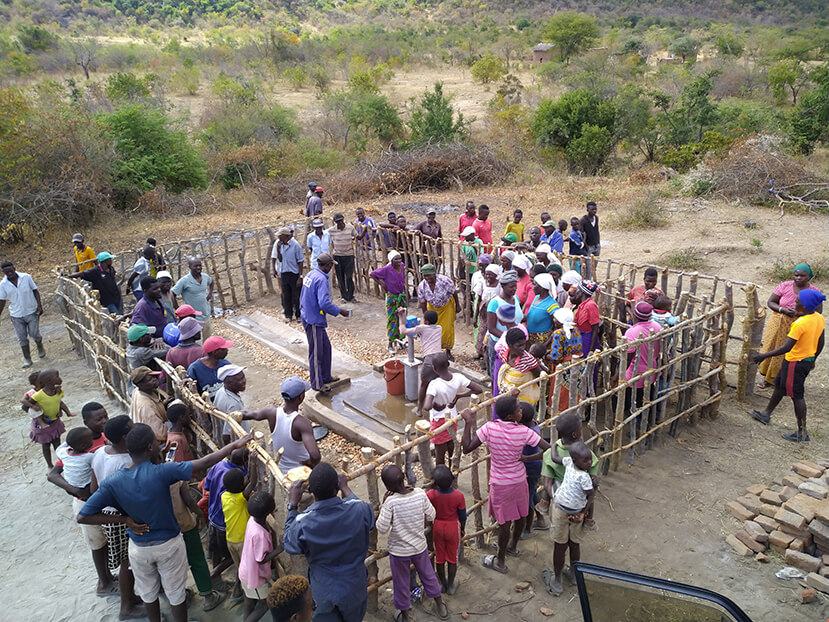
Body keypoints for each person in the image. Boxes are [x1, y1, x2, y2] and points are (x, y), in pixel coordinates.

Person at [78, 424, 254, 622]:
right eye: (154, 441)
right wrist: (234, 445)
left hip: (138, 547)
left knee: (148, 592)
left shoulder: (114, 480)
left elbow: (83, 516)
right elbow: (205, 462)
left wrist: (125, 519)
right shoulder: (162, 472)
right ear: (150, 447)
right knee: (176, 592)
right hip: (168, 545)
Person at [461, 396, 550, 574]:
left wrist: (468, 422)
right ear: (510, 416)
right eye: (518, 409)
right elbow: (549, 448)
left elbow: (467, 447)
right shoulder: (524, 432)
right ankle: (513, 547)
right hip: (519, 480)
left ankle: (500, 561)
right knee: (521, 515)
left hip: (500, 483)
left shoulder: (489, 428)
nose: (522, 411)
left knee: (504, 523)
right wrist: (529, 458)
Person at [283, 462, 374, 622]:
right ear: (337, 488)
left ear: (310, 491)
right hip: (354, 586)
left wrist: (292, 506)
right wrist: (345, 487)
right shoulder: (359, 510)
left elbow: (290, 544)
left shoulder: (302, 523)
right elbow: (365, 511)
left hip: (323, 591)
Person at [48, 423, 117, 599]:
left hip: (95, 500)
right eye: (98, 418)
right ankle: (103, 582)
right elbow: (53, 475)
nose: (103, 420)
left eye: (105, 417)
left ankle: (108, 576)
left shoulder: (68, 450)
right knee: (97, 544)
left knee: (105, 542)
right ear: (87, 421)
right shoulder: (88, 455)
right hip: (86, 500)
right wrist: (75, 489)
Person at [90, 415, 146, 619]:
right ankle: (126, 607)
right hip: (123, 516)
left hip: (108, 513)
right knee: (127, 562)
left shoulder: (99, 453)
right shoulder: (127, 461)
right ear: (125, 437)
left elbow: (93, 487)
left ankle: (130, 597)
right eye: (132, 429)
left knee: (127, 560)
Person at [751, 289, 826, 442]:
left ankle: (802, 432)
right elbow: (821, 341)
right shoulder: (818, 318)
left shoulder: (799, 324)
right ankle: (766, 413)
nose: (795, 302)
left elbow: (786, 347)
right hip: (803, 360)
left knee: (796, 396)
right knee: (779, 384)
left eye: (798, 301)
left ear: (804, 306)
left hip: (795, 363)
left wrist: (763, 356)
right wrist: (813, 359)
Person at [377, 465, 449, 622]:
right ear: (404, 476)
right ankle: (440, 606)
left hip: (399, 553)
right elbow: (431, 515)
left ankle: (404, 616)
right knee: (429, 576)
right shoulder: (420, 494)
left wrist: (384, 504)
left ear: (387, 487)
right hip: (419, 547)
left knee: (401, 583)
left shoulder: (390, 503)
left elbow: (381, 528)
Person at [542, 441, 595, 597]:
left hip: (561, 509)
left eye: (590, 460)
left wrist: (552, 445)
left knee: (560, 545)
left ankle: (557, 580)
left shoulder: (569, 464)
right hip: (576, 512)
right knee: (574, 543)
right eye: (586, 461)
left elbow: (554, 457)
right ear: (574, 460)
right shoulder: (584, 475)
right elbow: (591, 495)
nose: (589, 463)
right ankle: (573, 574)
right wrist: (583, 513)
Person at [756, 264, 822, 389]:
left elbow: (818, 311)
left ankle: (779, 379)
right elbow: (771, 302)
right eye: (796, 275)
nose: (798, 278)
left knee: (787, 351)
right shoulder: (785, 286)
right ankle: (768, 378)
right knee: (770, 346)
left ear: (809, 277)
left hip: (798, 325)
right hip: (778, 321)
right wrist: (783, 310)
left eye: (803, 275)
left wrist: (800, 314)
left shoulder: (814, 292)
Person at [240, 376, 322, 471]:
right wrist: (310, 463)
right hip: (301, 472)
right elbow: (315, 456)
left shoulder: (271, 412)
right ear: (301, 397)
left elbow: (248, 414)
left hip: (282, 470)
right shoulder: (302, 423)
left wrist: (231, 414)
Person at [300, 253, 351, 391]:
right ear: (327, 265)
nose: (332, 268)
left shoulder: (311, 274)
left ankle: (326, 376)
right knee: (316, 353)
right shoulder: (321, 279)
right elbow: (324, 303)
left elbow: (303, 295)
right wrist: (340, 311)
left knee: (326, 348)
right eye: (331, 265)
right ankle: (317, 384)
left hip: (309, 315)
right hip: (314, 320)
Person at [423, 353, 483, 465]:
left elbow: (426, 406)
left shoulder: (434, 384)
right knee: (451, 446)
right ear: (448, 364)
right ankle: (452, 470)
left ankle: (441, 477)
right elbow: (478, 389)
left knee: (440, 453)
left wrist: (435, 405)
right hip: (452, 417)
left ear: (434, 369)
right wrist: (459, 395)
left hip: (438, 420)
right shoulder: (458, 378)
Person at [203, 446, 250, 586]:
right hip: (226, 523)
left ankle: (216, 574)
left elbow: (206, 486)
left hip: (213, 516)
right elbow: (249, 487)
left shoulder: (218, 465)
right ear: (244, 462)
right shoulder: (239, 475)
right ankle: (215, 574)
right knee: (231, 555)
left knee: (216, 549)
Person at [239, 491, 283, 622]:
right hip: (255, 576)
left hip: (245, 570)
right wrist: (280, 548)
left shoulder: (252, 520)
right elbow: (261, 559)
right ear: (267, 512)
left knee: (249, 598)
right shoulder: (259, 535)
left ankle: (245, 618)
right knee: (265, 604)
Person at [426, 465, 466, 595]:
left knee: (440, 558)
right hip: (453, 527)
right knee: (452, 558)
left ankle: (442, 583)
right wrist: (462, 530)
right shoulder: (459, 496)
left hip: (437, 526)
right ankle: (450, 584)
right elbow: (462, 516)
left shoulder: (431, 494)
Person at [222, 463, 258, 603]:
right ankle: (252, 596)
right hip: (242, 542)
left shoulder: (224, 496)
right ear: (239, 486)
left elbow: (245, 481)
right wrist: (254, 461)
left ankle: (244, 590)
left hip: (230, 540)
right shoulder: (240, 499)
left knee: (240, 567)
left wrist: (250, 462)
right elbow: (253, 481)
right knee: (250, 569)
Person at [23, 368, 72, 468]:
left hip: (54, 421)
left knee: (57, 443)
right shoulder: (35, 394)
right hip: (43, 424)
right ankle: (50, 466)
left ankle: (61, 464)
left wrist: (60, 410)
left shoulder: (55, 390)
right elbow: (24, 406)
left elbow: (58, 402)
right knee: (46, 445)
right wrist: (37, 411)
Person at [0, 260, 45, 367]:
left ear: (14, 269)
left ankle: (40, 346)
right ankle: (27, 359)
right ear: (4, 273)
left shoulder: (26, 277)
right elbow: (2, 300)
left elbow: (35, 290)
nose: (9, 274)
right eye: (7, 272)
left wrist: (39, 305)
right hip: (16, 314)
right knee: (22, 338)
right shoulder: (3, 284)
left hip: (31, 311)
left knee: (34, 334)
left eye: (11, 271)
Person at [399, 308, 443, 413]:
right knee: (437, 383)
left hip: (430, 359)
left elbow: (403, 331)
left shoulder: (422, 328)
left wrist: (401, 317)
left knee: (424, 384)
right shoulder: (439, 328)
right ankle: (438, 407)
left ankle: (419, 409)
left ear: (426, 321)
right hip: (441, 358)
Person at [486, 270, 523, 377]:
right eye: (511, 287)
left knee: (511, 374)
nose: (515, 289)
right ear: (502, 286)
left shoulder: (515, 299)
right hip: (499, 343)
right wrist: (509, 339)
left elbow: (518, 318)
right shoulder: (495, 303)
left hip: (515, 345)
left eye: (515, 286)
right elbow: (491, 328)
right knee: (497, 373)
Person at [417, 263, 458, 359]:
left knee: (447, 329)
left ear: (434, 273)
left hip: (446, 307)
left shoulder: (445, 281)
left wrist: (458, 305)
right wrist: (425, 315)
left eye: (429, 275)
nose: (427, 278)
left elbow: (454, 292)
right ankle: (435, 349)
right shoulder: (422, 286)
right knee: (432, 329)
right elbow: (422, 302)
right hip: (432, 308)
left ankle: (448, 351)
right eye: (425, 275)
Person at [373, 251, 408, 354]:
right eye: (396, 259)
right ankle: (390, 343)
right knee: (392, 320)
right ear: (391, 260)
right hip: (392, 297)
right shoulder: (386, 269)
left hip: (401, 296)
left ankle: (400, 340)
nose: (399, 261)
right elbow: (373, 274)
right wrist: (382, 284)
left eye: (400, 258)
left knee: (402, 317)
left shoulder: (401, 266)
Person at [520, 402, 547, 536]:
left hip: (531, 467)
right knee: (532, 491)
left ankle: (527, 528)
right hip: (534, 466)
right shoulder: (533, 424)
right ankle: (540, 520)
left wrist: (527, 458)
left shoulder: (528, 433)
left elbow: (547, 449)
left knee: (528, 498)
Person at [497, 327, 543, 406]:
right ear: (510, 345)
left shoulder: (528, 359)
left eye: (524, 344)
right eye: (519, 345)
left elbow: (539, 375)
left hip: (524, 398)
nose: (523, 348)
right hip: (507, 393)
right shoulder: (503, 352)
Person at [549, 308, 583, 411]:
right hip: (577, 364)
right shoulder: (575, 330)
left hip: (563, 367)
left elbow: (557, 358)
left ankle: (558, 414)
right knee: (574, 391)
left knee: (561, 394)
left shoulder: (558, 334)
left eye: (555, 319)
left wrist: (547, 356)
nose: (554, 320)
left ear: (560, 321)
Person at [129, 366, 168, 444]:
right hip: (154, 443)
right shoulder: (147, 406)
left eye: (154, 377)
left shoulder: (137, 391)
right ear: (141, 385)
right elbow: (161, 434)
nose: (155, 379)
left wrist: (162, 405)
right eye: (150, 379)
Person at [272, 227, 304, 322]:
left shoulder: (296, 246)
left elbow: (301, 261)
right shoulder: (280, 245)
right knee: (286, 295)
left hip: (294, 273)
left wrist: (300, 277)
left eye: (280, 235)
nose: (278, 237)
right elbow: (280, 259)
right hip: (284, 272)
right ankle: (288, 315)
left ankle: (298, 315)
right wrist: (278, 250)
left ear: (285, 236)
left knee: (296, 295)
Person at [214, 364, 251, 445]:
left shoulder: (221, 391)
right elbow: (226, 435)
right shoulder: (233, 404)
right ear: (230, 384)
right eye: (239, 380)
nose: (244, 381)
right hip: (239, 444)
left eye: (243, 377)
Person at [172, 256, 214, 325]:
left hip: (206, 315)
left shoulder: (205, 277)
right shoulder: (184, 281)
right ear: (190, 267)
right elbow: (172, 293)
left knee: (207, 335)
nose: (198, 268)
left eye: (200, 265)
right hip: (193, 318)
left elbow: (211, 282)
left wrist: (210, 294)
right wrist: (178, 309)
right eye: (195, 266)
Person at [473, 262, 500, 359]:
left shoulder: (499, 285)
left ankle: (486, 355)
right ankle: (479, 351)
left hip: (495, 313)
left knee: (490, 332)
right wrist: (475, 317)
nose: (487, 276)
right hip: (484, 312)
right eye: (487, 273)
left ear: (496, 275)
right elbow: (478, 300)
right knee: (482, 331)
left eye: (490, 274)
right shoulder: (483, 283)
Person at [524, 273, 560, 345]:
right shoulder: (536, 298)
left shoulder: (552, 305)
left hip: (543, 341)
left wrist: (545, 344)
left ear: (542, 287)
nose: (532, 286)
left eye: (535, 284)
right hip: (531, 338)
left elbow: (557, 327)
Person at [329, 213, 357, 303]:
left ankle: (350, 295)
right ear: (335, 222)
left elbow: (357, 236)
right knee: (340, 277)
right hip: (337, 256)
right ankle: (344, 296)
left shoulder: (350, 227)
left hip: (349, 255)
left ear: (343, 219)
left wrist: (364, 232)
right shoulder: (332, 230)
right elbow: (324, 234)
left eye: (341, 221)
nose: (340, 223)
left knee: (349, 276)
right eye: (337, 222)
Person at [571, 280, 601, 357]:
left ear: (582, 292)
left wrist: (591, 351)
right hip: (580, 339)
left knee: (587, 364)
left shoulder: (590, 305)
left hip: (587, 341)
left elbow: (595, 329)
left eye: (577, 289)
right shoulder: (582, 305)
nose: (575, 292)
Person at [581, 201, 600, 269]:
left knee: (594, 265)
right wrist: (586, 246)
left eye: (595, 209)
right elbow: (582, 234)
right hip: (589, 246)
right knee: (588, 266)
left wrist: (598, 243)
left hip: (596, 245)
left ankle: (593, 278)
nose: (594, 211)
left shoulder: (596, 218)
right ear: (587, 210)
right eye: (592, 209)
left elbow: (596, 230)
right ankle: (588, 279)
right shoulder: (583, 220)